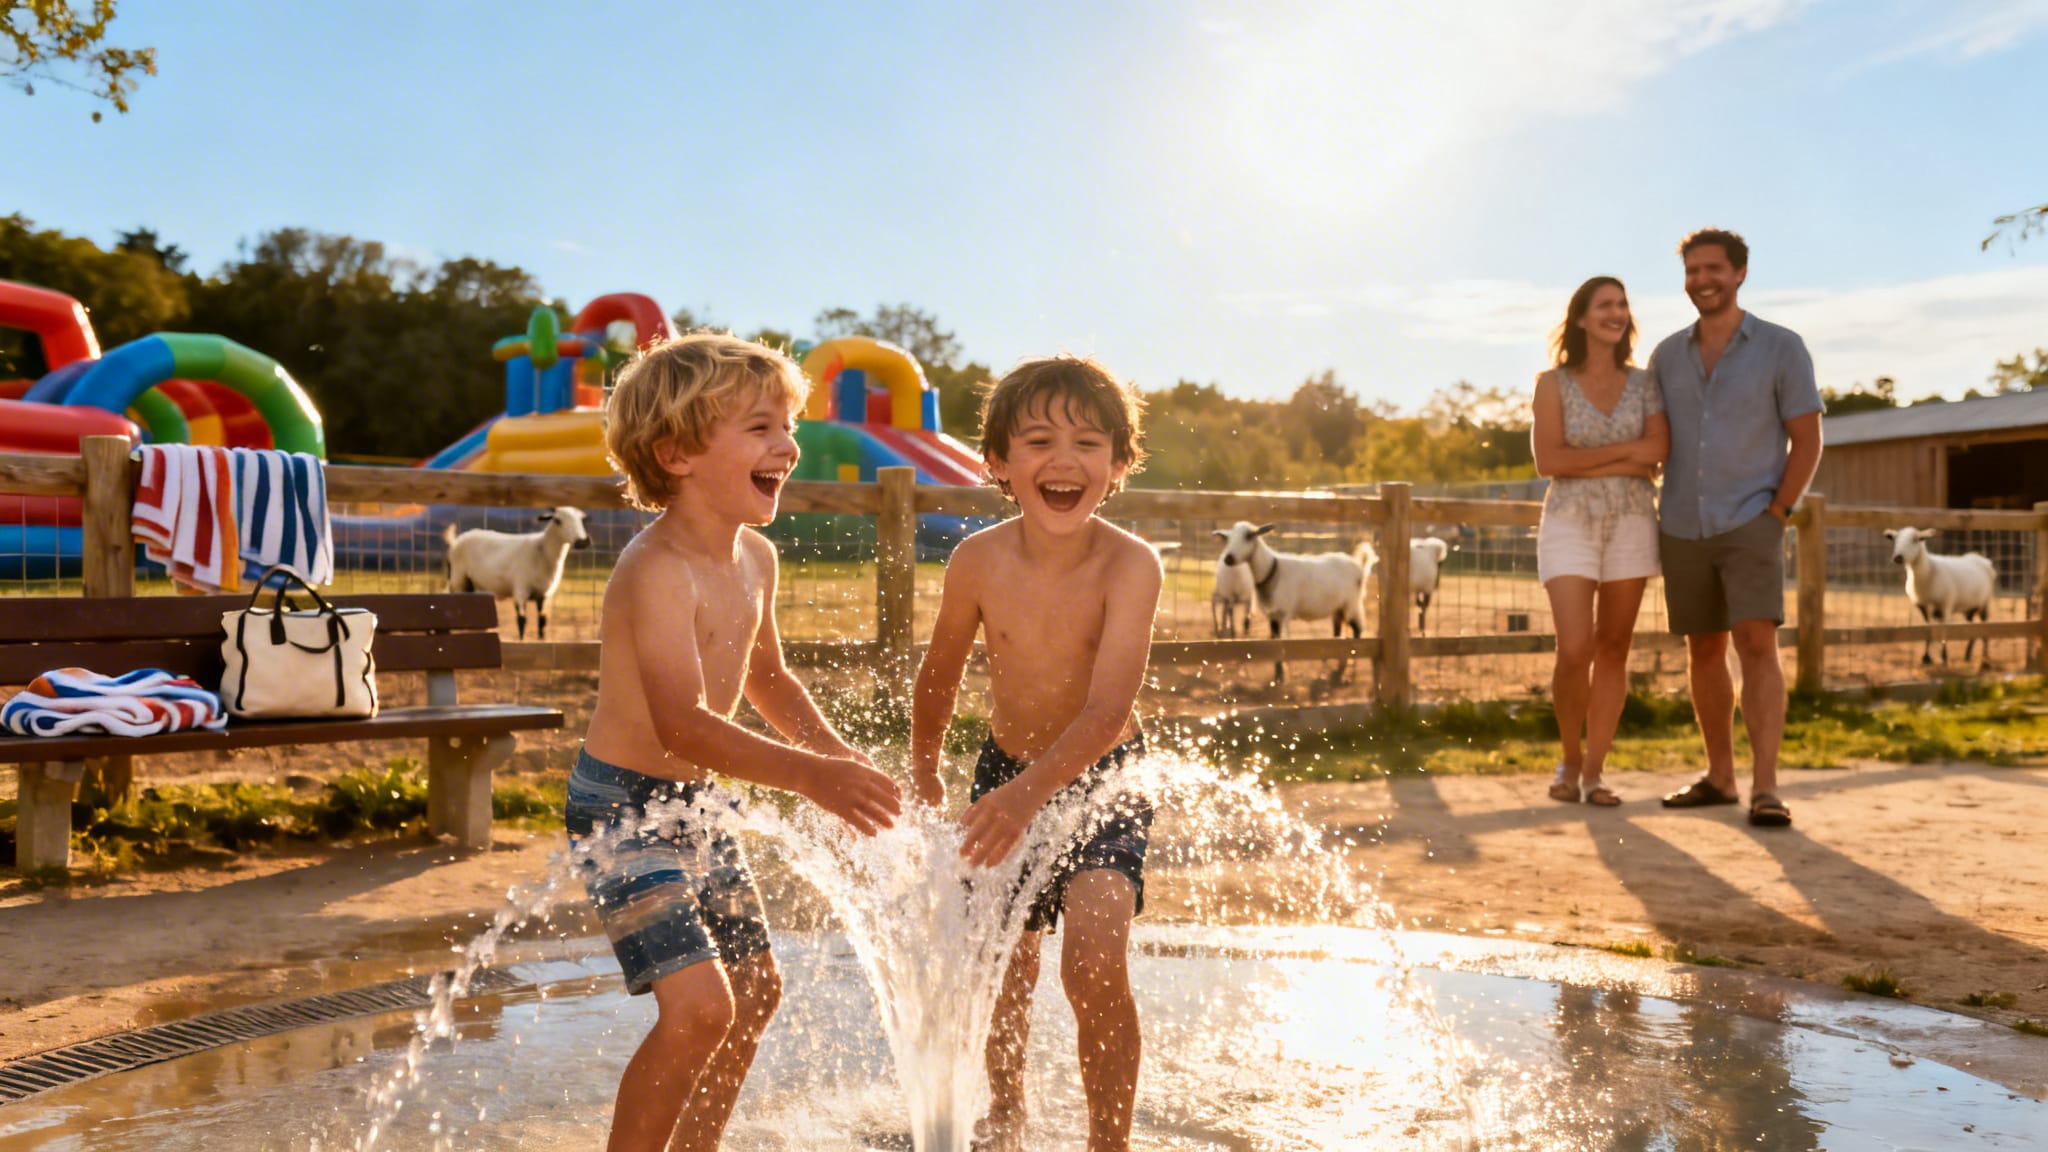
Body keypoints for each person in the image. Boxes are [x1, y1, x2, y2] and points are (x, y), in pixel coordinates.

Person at [567, 333, 903, 1152]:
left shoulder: (755, 556)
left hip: (698, 804)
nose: (786, 445)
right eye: (759, 428)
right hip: (622, 811)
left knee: (753, 993)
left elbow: (769, 677)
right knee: (701, 1008)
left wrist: (837, 754)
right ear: (676, 452)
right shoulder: (656, 571)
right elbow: (681, 722)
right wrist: (809, 778)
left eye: (786, 425)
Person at [910, 355, 1162, 1152]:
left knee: (1090, 966)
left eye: (1089, 443)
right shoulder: (977, 560)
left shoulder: (1131, 565)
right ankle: (1007, 1110)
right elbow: (939, 674)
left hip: (1106, 781)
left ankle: (1108, 1142)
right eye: (1040, 440)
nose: (1064, 460)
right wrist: (925, 774)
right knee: (1005, 966)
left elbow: (1106, 710)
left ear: (1119, 465)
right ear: (998, 463)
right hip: (1003, 772)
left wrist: (1028, 799)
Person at [1648, 229, 1823, 828]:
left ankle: (1765, 787)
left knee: (1756, 646)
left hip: (1752, 519)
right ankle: (1719, 778)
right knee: (1703, 650)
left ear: (1741, 273)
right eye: (1693, 271)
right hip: (1680, 523)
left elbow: (1808, 438)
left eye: (1714, 269)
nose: (1702, 280)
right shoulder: (1666, 355)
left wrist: (1778, 512)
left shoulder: (1781, 347)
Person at [1531, 276, 1669, 806]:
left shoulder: (1645, 384)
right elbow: (1551, 461)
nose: (1616, 312)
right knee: (1575, 648)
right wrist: (1625, 455)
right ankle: (1568, 757)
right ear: (1582, 318)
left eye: (1622, 304)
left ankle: (1593, 773)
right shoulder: (1551, 383)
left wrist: (1596, 457)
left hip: (1633, 520)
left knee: (1613, 648)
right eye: (1604, 305)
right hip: (1569, 520)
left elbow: (1659, 450)